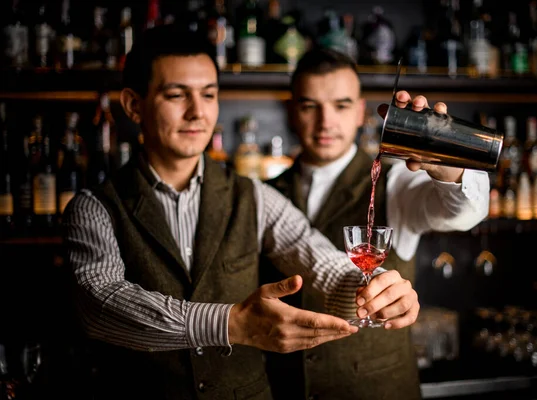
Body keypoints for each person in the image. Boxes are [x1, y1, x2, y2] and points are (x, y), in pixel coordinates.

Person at [60, 25, 420, 400]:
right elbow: (100, 303)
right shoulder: (93, 207)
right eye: (176, 95)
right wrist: (231, 325)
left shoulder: (254, 196)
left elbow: (318, 261)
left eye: (209, 94)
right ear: (134, 105)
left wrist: (376, 289)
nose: (197, 112)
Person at [262, 48, 490, 400]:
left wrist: (446, 164)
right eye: (310, 106)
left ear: (359, 112)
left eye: (340, 105)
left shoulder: (396, 183)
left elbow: (462, 212)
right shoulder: (263, 194)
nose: (325, 122)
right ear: (292, 111)